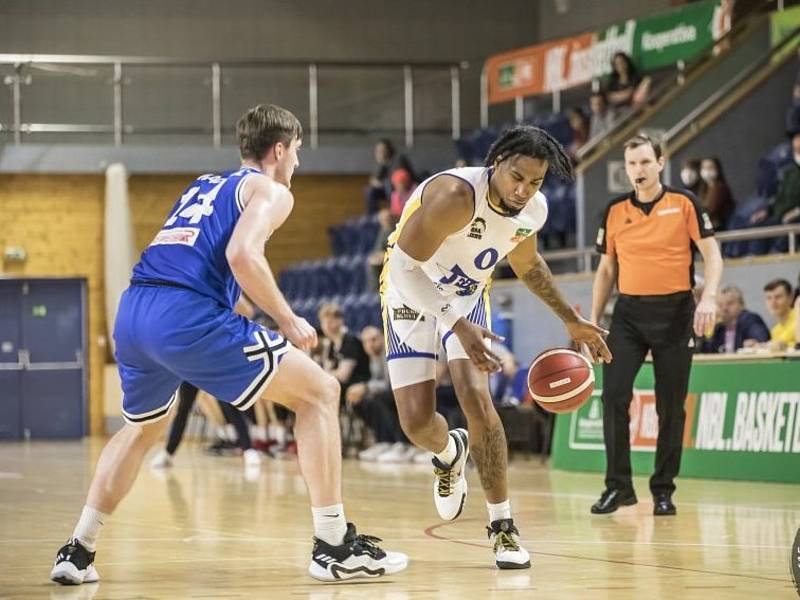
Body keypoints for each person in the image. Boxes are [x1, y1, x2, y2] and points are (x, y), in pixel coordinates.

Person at [50, 104, 406, 587]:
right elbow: (242, 254)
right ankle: (333, 546)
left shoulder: (202, 184)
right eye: (297, 152)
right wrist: (288, 319)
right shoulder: (271, 190)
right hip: (186, 315)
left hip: (135, 310)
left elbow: (205, 260)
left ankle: (78, 549)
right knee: (320, 391)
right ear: (279, 150)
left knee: (140, 430)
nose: (297, 163)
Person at [380, 125, 611, 569]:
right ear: (497, 162)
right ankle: (448, 453)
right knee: (415, 423)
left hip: (467, 294)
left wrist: (569, 319)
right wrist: (453, 322)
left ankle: (503, 527)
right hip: (409, 290)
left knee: (476, 397)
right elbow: (406, 271)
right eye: (517, 177)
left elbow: (527, 264)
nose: (524, 190)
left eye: (536, 182)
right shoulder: (456, 195)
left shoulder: (533, 210)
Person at [591, 133, 723, 517]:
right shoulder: (614, 210)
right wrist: (593, 323)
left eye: (646, 162)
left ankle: (663, 489)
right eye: (632, 163)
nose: (639, 170)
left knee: (671, 407)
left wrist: (710, 297)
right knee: (614, 396)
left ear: (661, 163)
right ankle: (618, 487)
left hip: (676, 313)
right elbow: (605, 270)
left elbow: (712, 255)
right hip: (628, 315)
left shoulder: (685, 203)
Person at [346, 325, 415, 463]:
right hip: (389, 392)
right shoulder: (374, 357)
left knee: (381, 399)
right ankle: (383, 441)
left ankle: (403, 444)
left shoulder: (390, 352)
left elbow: (390, 384)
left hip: (407, 391)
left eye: (373, 339)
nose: (370, 344)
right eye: (366, 342)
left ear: (383, 338)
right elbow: (378, 382)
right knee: (362, 402)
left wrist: (365, 387)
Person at [701, 285, 769, 353]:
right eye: (720, 305)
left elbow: (761, 342)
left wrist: (752, 345)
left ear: (742, 304)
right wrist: (709, 332)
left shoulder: (750, 319)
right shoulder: (718, 327)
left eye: (730, 303)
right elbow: (706, 352)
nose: (724, 308)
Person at [759, 278, 797, 351]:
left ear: (791, 298)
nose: (773, 302)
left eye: (778, 297)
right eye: (769, 298)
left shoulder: (798, 318)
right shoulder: (775, 330)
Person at [698, 157, 735, 231]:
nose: (707, 171)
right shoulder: (704, 189)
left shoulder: (720, 188)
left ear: (717, 169)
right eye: (704, 168)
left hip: (720, 228)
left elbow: (711, 211)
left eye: (710, 167)